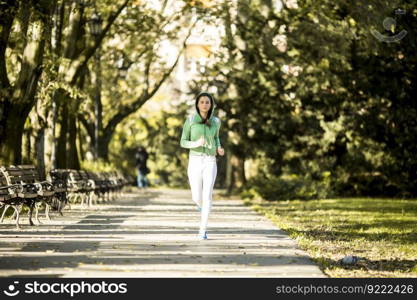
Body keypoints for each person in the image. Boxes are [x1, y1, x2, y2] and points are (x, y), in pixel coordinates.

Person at [180, 92, 225, 240]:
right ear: (197, 104)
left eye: (207, 102)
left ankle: (202, 230)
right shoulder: (191, 120)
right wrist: (196, 143)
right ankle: (200, 205)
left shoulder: (216, 121)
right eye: (202, 102)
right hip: (195, 160)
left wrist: (219, 148)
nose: (205, 104)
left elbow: (217, 137)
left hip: (210, 161)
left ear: (211, 104)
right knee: (196, 196)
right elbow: (183, 141)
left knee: (207, 196)